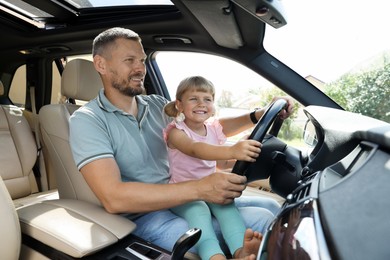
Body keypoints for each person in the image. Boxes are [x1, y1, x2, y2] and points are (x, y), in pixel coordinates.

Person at [69, 27, 294, 258]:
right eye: (129, 60)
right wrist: (201, 188)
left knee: (274, 208)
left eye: (142, 60)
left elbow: (202, 126)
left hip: (183, 196)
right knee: (264, 221)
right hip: (145, 216)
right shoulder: (88, 120)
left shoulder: (156, 105)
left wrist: (256, 115)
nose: (140, 69)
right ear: (101, 65)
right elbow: (114, 198)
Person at [163, 75, 265, 259]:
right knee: (199, 211)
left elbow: (220, 162)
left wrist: (243, 154)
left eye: (207, 99)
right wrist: (233, 150)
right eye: (194, 99)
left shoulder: (213, 130)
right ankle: (213, 255)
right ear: (179, 105)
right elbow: (196, 150)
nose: (201, 104)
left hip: (212, 188)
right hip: (184, 193)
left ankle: (241, 251)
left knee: (227, 207)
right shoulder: (176, 132)